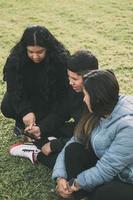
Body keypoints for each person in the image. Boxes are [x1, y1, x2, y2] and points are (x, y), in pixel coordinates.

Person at [9, 50, 99, 169]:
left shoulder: (100, 95)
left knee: (70, 159)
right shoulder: (74, 89)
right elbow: (61, 113)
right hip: (79, 129)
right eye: (69, 77)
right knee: (46, 128)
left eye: (75, 79)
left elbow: (89, 136)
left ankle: (36, 153)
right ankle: (44, 141)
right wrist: (41, 129)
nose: (70, 83)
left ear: (89, 76)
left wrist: (54, 145)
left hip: (92, 141)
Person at [52, 70, 133, 200]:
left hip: (128, 180)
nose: (84, 99)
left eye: (85, 95)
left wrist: (76, 183)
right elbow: (74, 141)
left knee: (103, 193)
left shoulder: (128, 127)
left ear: (97, 98)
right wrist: (60, 177)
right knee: (73, 150)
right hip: (112, 171)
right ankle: (81, 197)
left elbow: (107, 168)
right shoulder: (100, 111)